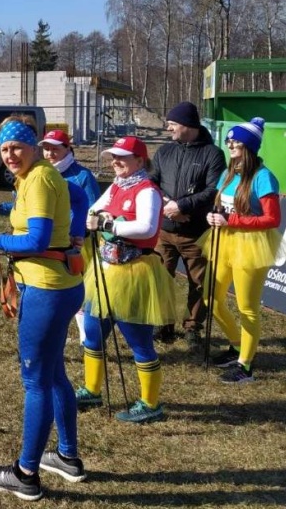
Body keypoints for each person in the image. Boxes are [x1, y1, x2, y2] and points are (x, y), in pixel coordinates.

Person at [0, 118, 86, 502]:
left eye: (17, 148)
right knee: (55, 374)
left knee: (36, 381)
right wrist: (79, 230)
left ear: (34, 148)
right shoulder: (35, 177)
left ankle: (25, 475)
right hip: (61, 286)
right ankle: (68, 458)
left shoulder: (39, 178)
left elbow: (37, 238)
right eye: (4, 150)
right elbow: (80, 197)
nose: (10, 155)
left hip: (46, 291)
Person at [76, 136, 176, 424]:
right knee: (93, 332)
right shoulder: (118, 185)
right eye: (113, 157)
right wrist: (103, 214)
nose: (115, 161)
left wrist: (109, 223)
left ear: (140, 161)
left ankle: (150, 403)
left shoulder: (147, 191)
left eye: (122, 157)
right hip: (106, 269)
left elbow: (146, 228)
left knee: (138, 341)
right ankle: (92, 390)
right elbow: (92, 211)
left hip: (135, 272)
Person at [203, 118, 282, 383]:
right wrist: (213, 217)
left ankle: (246, 366)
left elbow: (272, 219)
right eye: (229, 141)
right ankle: (236, 344)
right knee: (210, 298)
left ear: (249, 146)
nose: (231, 145)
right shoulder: (229, 173)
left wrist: (231, 220)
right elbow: (221, 206)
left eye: (236, 142)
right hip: (224, 239)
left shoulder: (263, 177)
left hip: (251, 244)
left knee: (247, 307)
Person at [150, 102, 226, 346]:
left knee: (199, 282)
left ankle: (193, 327)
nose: (168, 128)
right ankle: (163, 325)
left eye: (172, 124)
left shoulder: (213, 154)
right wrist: (169, 208)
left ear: (187, 125)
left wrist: (183, 206)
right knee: (162, 278)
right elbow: (151, 183)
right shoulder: (164, 152)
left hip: (196, 233)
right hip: (164, 230)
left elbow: (214, 189)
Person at [39, 129, 101, 342]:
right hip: (48, 240)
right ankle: (55, 332)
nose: (49, 153)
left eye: (55, 149)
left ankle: (87, 337)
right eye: (46, 149)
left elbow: (94, 210)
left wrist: (80, 232)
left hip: (77, 243)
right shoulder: (40, 174)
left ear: (67, 149)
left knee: (79, 290)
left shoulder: (82, 176)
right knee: (53, 290)